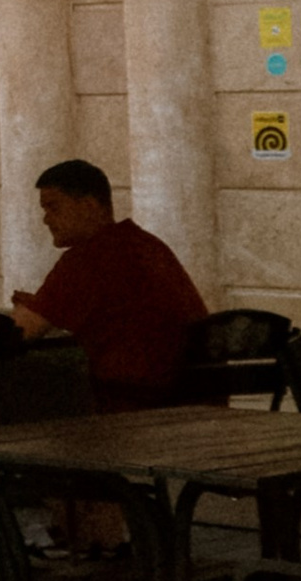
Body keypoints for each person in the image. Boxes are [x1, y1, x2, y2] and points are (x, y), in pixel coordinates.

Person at [12, 157, 206, 407]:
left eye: (54, 207)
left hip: (136, 405)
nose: (46, 220)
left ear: (90, 206)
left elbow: (20, 333)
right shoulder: (147, 244)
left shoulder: (87, 258)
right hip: (195, 397)